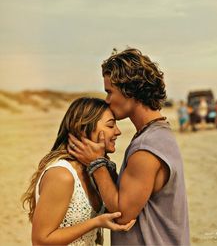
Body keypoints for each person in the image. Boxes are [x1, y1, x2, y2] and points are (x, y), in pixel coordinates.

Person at [68, 48, 190, 246]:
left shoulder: (147, 147)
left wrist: (96, 164)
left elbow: (122, 215)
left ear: (130, 90)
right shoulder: (158, 134)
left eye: (110, 92)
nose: (107, 100)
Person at [22, 97, 135, 246]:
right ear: (84, 128)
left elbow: (118, 207)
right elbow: (40, 240)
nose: (118, 132)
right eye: (110, 125)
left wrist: (102, 164)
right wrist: (96, 222)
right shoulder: (62, 175)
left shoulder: (94, 171)